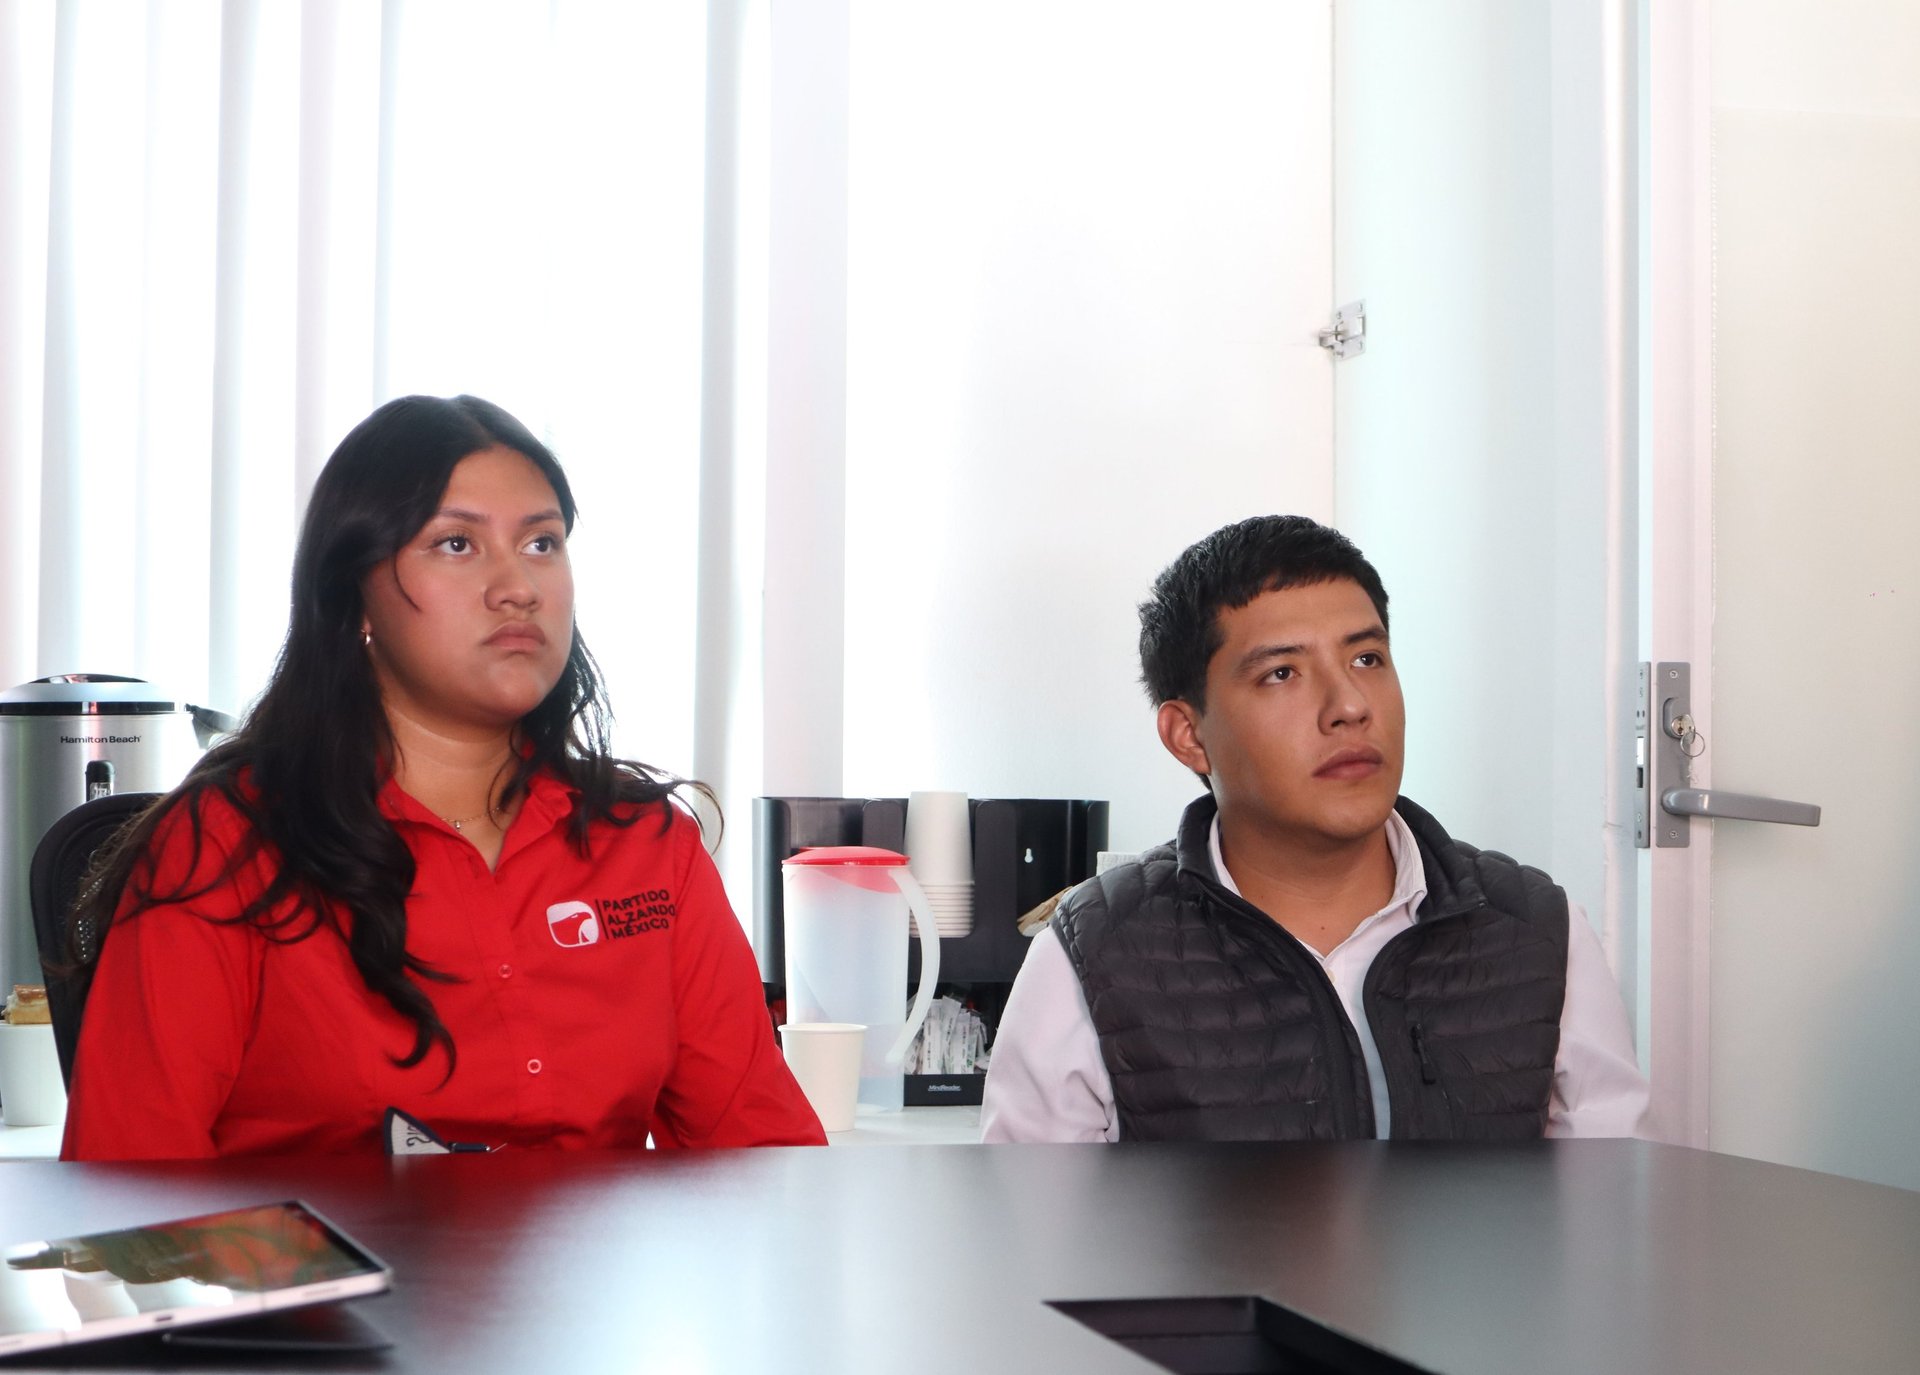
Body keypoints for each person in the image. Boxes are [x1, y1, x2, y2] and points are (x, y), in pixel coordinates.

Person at [61, 395, 824, 1158]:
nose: (517, 586)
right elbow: (131, 1189)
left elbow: (763, 1158)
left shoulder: (649, 846)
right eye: (457, 543)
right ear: (355, 595)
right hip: (319, 1244)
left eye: (542, 542)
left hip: (593, 1244)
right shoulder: (226, 846)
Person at [981, 515, 1648, 1142]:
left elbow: (1609, 1205)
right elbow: (1040, 1221)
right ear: (1189, 735)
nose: (1350, 706)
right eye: (1282, 673)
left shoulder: (1540, 931)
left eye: (1367, 659)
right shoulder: (1093, 952)